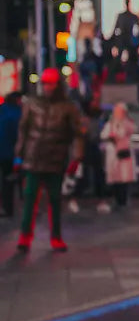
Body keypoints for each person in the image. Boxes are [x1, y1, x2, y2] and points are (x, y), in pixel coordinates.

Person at [14, 68, 85, 253]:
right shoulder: (32, 104)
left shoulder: (68, 107)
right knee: (30, 200)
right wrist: (18, 156)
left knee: (55, 200)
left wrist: (77, 157)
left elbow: (77, 134)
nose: (47, 87)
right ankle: (25, 237)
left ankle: (56, 237)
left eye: (51, 83)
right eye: (45, 83)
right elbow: (23, 130)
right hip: (33, 159)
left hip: (55, 160)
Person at [100, 101, 137, 210]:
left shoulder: (128, 123)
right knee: (115, 178)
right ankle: (117, 200)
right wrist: (110, 136)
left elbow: (131, 130)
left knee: (124, 179)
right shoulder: (110, 124)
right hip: (113, 155)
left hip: (123, 154)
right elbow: (103, 135)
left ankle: (123, 201)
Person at [0, 90, 23, 218]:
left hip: (4, 150)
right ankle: (8, 208)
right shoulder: (17, 113)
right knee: (9, 180)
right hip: (9, 153)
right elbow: (18, 135)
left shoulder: (2, 110)